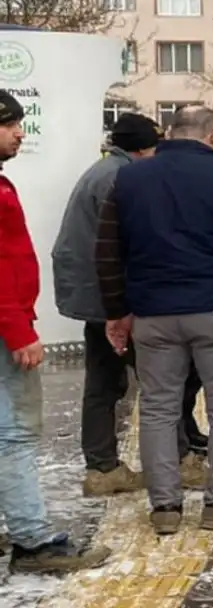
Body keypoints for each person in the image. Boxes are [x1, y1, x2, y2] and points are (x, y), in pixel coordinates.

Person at [95, 106, 213, 535]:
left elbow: (107, 254)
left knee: (158, 408)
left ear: (169, 133)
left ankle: (165, 508)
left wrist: (117, 312)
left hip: (154, 315)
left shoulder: (127, 180)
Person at [51, 113, 207, 498]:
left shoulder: (104, 169)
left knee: (104, 382)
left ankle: (102, 468)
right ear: (143, 149)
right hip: (116, 300)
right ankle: (178, 463)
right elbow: (131, 243)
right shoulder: (122, 177)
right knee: (161, 381)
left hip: (96, 297)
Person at [0, 90, 112, 572]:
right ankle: (33, 541)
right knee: (15, 433)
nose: (19, 132)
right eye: (9, 124)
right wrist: (18, 329)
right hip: (4, 328)